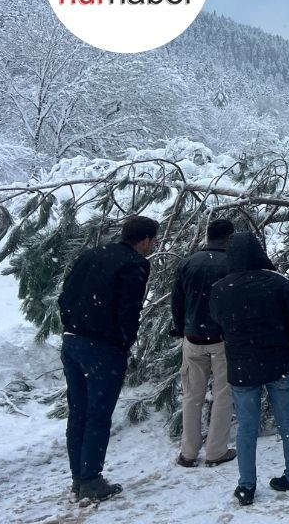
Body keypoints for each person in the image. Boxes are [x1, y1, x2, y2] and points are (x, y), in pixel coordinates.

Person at [58, 215, 159, 502]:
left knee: (78, 411)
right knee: (98, 415)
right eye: (154, 241)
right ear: (145, 240)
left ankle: (79, 478)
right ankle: (91, 480)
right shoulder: (135, 264)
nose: (153, 246)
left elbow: (65, 296)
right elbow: (129, 310)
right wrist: (124, 342)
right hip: (103, 347)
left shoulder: (91, 255)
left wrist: (72, 325)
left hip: (72, 340)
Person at [209, 231, 289, 506]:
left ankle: (246, 486)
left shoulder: (220, 289)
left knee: (246, 427)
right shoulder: (278, 284)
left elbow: (217, 323)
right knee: (287, 420)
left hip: (242, 368)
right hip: (279, 364)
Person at [171, 218, 236, 468]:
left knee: (191, 395)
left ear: (207, 236)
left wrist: (181, 328)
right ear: (229, 237)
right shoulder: (231, 264)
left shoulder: (188, 262)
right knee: (222, 394)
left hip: (192, 337)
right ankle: (216, 450)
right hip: (222, 339)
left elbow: (177, 301)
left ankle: (188, 452)